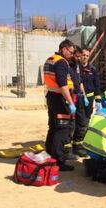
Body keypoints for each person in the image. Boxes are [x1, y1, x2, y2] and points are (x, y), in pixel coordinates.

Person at [44, 39, 77, 171]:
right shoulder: (61, 62)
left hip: (52, 97)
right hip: (60, 99)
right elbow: (63, 84)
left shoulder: (50, 59)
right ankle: (58, 160)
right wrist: (70, 102)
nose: (72, 55)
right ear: (64, 49)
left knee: (53, 127)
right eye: (71, 52)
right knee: (62, 129)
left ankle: (49, 156)